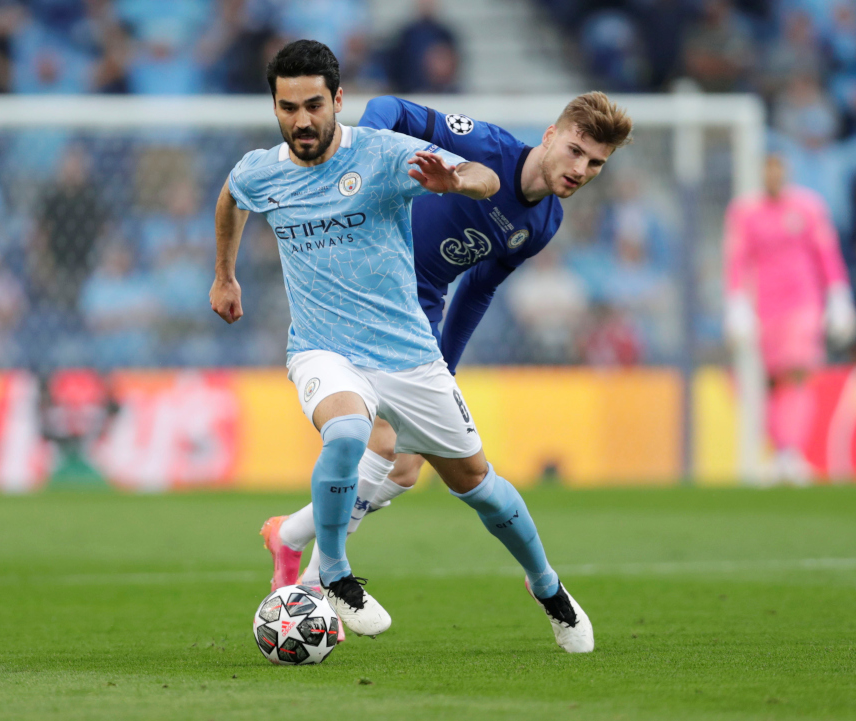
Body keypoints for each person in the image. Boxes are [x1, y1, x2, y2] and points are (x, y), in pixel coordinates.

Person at [212, 39, 593, 652]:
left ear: (337, 100)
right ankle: (330, 574)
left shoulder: (398, 162)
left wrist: (456, 181)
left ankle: (547, 587)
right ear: (275, 107)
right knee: (350, 434)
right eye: (289, 108)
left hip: (408, 338)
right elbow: (232, 195)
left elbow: (483, 182)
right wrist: (224, 275)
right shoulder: (265, 167)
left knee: (471, 482)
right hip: (322, 345)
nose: (302, 120)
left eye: (314, 105)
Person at [265, 90, 632, 629]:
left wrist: (445, 366)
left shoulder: (544, 223)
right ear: (551, 135)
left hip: (417, 320)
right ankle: (316, 584)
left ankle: (291, 538)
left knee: (405, 468)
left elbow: (478, 288)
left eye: (596, 163)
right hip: (361, 292)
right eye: (576, 150)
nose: (582, 169)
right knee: (383, 447)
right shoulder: (487, 146)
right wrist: (362, 159)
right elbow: (392, 108)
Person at [724, 154, 856, 484]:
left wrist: (839, 295)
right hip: (764, 308)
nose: (774, 176)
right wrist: (737, 301)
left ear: (786, 172)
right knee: (768, 383)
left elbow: (826, 253)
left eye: (778, 170)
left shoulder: (809, 207)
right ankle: (782, 451)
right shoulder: (745, 212)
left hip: (803, 303)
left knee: (797, 373)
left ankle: (790, 452)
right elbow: (736, 259)